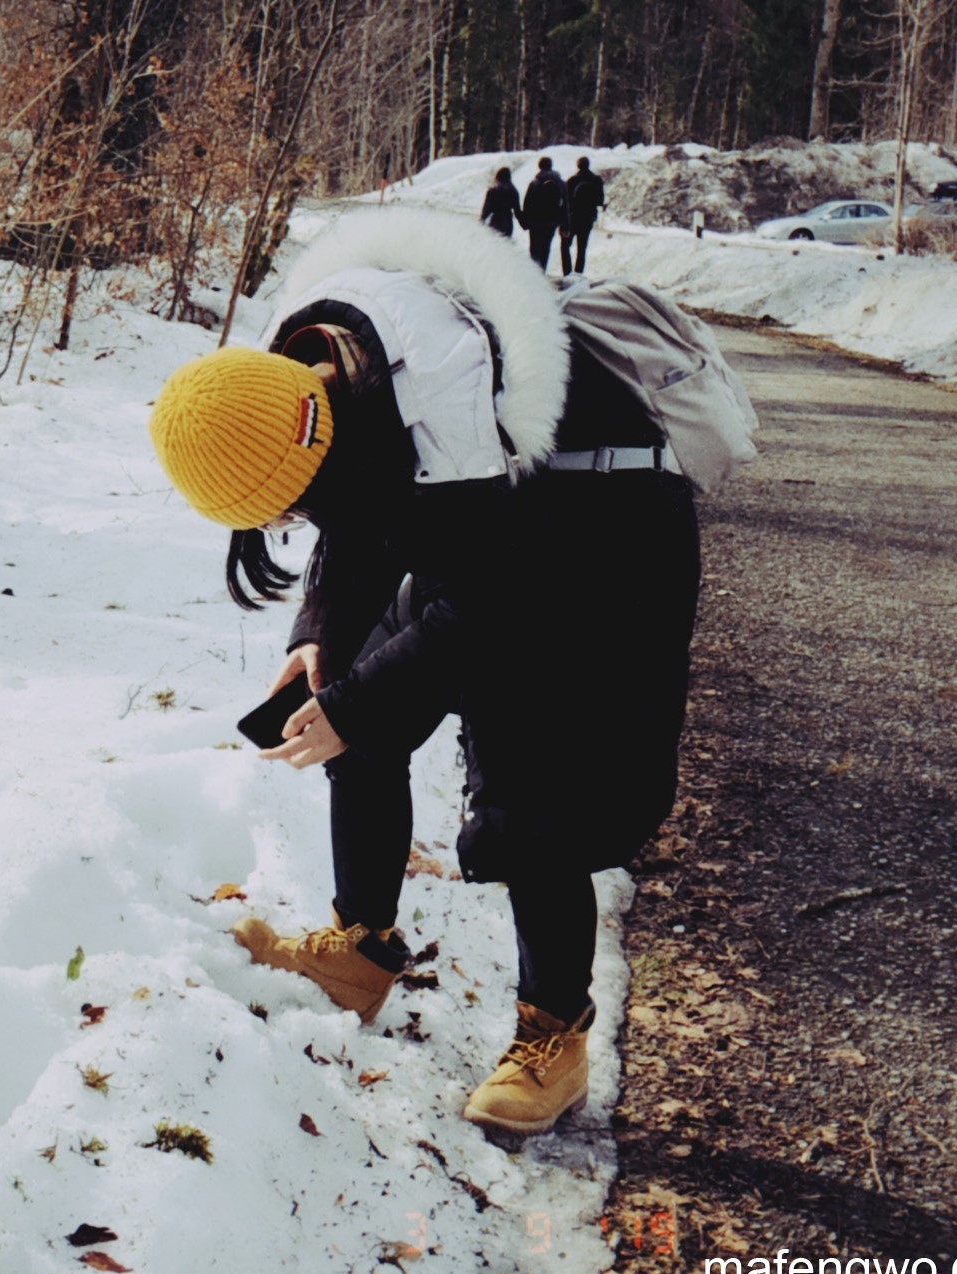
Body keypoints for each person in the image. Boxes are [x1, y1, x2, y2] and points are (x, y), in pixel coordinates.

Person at [147, 208, 701, 1138]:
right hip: (507, 520)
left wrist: (359, 705)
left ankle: (554, 1035)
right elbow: (360, 508)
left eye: (286, 514)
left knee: (530, 777)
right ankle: (361, 947)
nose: (290, 529)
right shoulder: (308, 375)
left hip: (605, 526)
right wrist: (322, 635)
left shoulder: (431, 391)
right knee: (350, 689)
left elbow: (491, 597)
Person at [521, 155, 568, 273]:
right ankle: (542, 271)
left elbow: (527, 203)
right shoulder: (561, 183)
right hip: (552, 222)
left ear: (539, 166)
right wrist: (565, 224)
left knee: (534, 249)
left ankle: (534, 274)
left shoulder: (534, 183)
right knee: (546, 248)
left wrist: (525, 222)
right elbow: (566, 206)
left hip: (535, 222)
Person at [564, 156, 605, 273]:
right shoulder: (596, 180)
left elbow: (566, 200)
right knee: (582, 248)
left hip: (572, 217)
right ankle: (578, 273)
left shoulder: (572, 180)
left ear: (578, 166)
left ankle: (567, 273)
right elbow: (600, 200)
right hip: (588, 217)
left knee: (565, 246)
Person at [478, 165, 520, 238]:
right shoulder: (513, 190)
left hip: (496, 220)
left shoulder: (493, 190)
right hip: (508, 221)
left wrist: (482, 219)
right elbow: (517, 210)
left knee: (496, 244)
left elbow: (487, 208)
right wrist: (524, 224)